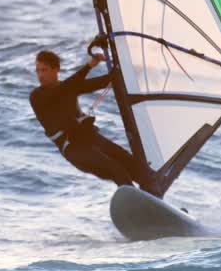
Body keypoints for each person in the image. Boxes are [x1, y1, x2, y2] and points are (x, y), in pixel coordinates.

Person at [29, 42, 154, 192]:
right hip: (74, 148)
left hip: (90, 138)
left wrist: (123, 73)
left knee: (129, 162)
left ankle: (154, 194)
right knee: (116, 169)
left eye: (44, 70)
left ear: (56, 70)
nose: (40, 75)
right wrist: (89, 66)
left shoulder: (67, 87)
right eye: (38, 71)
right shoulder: (37, 96)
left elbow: (96, 83)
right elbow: (65, 88)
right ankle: (137, 205)